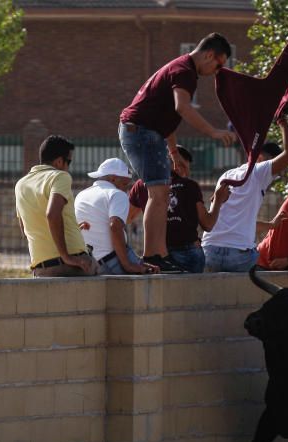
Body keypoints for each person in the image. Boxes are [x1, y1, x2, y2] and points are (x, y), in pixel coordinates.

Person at [119, 33, 238, 272]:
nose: (217, 70)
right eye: (218, 64)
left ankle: (158, 254)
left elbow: (167, 119)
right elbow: (181, 107)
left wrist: (173, 152)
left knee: (160, 193)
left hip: (147, 132)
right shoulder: (185, 72)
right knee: (158, 194)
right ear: (209, 54)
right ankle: (154, 255)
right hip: (141, 132)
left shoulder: (181, 68)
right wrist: (213, 131)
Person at [201, 118, 288, 272]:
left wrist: (271, 225)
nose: (275, 175)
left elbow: (238, 224)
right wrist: (282, 121)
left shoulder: (228, 174)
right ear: (260, 158)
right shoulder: (259, 171)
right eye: (275, 167)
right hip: (238, 257)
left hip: (209, 251)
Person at [127, 145, 230, 274]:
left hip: (157, 255)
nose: (186, 172)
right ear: (175, 164)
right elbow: (208, 224)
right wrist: (218, 200)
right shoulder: (189, 186)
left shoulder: (141, 185)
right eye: (184, 166)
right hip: (188, 253)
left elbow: (128, 217)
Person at [15, 135, 96, 277]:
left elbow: (24, 226)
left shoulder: (21, 184)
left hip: (41, 268)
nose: (68, 167)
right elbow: (52, 214)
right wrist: (66, 257)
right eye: (69, 161)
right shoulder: (60, 176)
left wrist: (73, 228)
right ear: (59, 161)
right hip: (70, 264)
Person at [76, 158, 158, 276]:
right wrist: (127, 264)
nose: (126, 189)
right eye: (125, 184)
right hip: (112, 260)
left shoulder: (81, 195)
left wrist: (136, 262)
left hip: (91, 263)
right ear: (113, 178)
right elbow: (115, 226)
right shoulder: (116, 194)